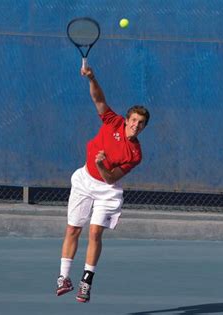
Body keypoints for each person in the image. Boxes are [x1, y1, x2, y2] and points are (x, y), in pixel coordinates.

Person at [56, 66, 150, 303]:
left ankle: (85, 282)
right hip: (84, 180)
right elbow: (98, 99)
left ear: (143, 128)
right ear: (126, 120)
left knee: (95, 232)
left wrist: (100, 164)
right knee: (72, 229)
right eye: (134, 121)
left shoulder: (135, 154)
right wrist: (92, 77)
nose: (136, 125)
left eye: (141, 124)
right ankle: (64, 278)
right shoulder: (113, 121)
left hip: (107, 190)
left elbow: (110, 178)